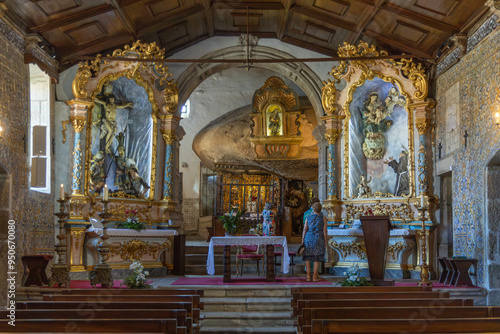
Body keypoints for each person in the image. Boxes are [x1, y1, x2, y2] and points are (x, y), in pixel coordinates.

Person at [302, 202, 327, 282]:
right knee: (317, 258)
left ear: (313, 208)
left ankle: (308, 276)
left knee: (308, 257)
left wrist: (303, 239)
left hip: (308, 237)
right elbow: (324, 231)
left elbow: (305, 229)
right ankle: (315, 276)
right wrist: (326, 241)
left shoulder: (308, 217)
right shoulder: (323, 218)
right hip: (318, 238)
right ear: (321, 209)